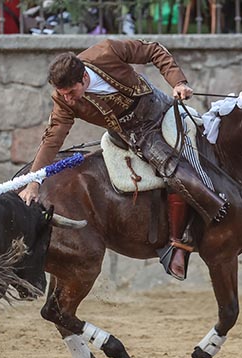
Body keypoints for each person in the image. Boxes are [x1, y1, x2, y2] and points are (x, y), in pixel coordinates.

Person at [19, 39, 228, 281]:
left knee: (204, 142)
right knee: (172, 168)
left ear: (84, 79)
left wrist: (178, 83)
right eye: (62, 94)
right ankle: (179, 242)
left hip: (158, 108)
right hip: (136, 134)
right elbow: (52, 139)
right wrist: (34, 181)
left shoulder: (107, 51)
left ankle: (223, 205)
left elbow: (153, 49)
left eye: (71, 93)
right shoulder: (64, 100)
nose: (68, 100)